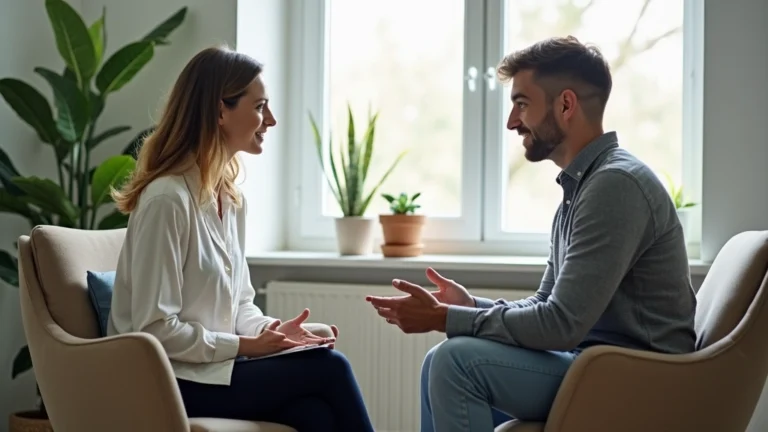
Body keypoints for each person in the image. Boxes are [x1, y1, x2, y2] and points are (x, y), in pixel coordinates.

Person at [366, 35, 697, 432]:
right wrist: (470, 306)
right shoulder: (583, 188)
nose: (511, 121)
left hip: (642, 380)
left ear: (566, 105)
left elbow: (560, 325)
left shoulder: (615, 185)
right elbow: (547, 303)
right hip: (599, 365)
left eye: (521, 104)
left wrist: (446, 317)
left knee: (455, 362)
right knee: (438, 359)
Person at [108, 45, 375, 432]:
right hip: (167, 380)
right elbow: (155, 330)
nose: (271, 120)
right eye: (260, 106)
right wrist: (248, 346)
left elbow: (241, 305)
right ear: (220, 111)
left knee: (315, 415)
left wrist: (273, 333)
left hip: (213, 370)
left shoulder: (231, 199)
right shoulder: (167, 200)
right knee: (330, 368)